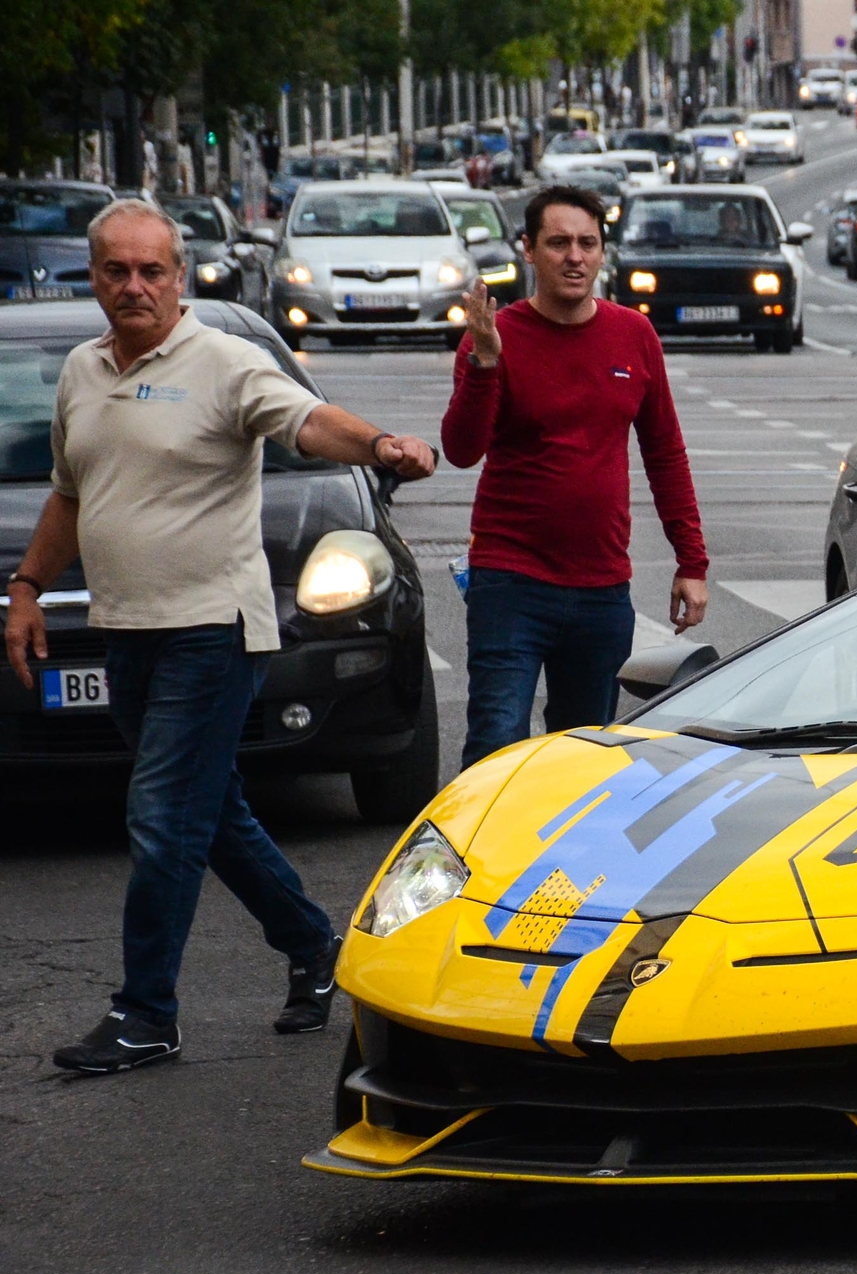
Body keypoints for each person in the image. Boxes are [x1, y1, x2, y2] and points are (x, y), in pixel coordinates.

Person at [7, 199, 438, 1075]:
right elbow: (69, 496)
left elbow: (308, 422)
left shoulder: (226, 362)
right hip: (124, 632)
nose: (135, 287)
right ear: (94, 277)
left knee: (161, 816)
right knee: (215, 813)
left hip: (213, 632)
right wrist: (25, 588)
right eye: (117, 272)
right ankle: (315, 944)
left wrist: (381, 443)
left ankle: (146, 1014)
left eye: (152, 271)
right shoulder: (82, 375)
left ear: (179, 276)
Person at [443, 184, 710, 767]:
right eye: (559, 242)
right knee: (495, 742)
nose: (575, 256)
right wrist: (485, 361)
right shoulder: (495, 335)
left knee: (581, 760)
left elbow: (664, 452)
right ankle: (480, 860)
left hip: (601, 591)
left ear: (602, 253)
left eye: (588, 243)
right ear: (529, 252)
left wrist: (691, 562)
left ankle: (565, 862)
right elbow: (461, 450)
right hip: (511, 582)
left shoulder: (633, 335)